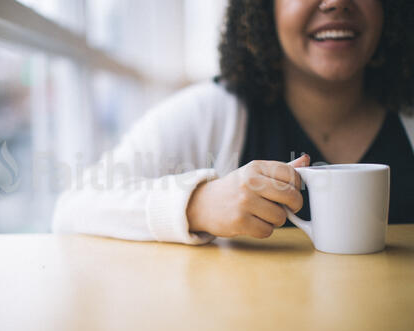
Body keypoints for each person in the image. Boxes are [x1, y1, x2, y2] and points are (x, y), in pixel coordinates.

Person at [53, 0, 414, 245]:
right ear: (263, 9)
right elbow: (74, 207)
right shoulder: (210, 115)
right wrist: (196, 205)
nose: (336, 2)